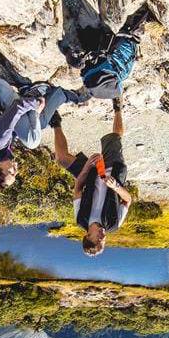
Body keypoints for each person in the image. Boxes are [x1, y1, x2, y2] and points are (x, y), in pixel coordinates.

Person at [0, 78, 88, 189]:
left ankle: (34, 93)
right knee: (41, 124)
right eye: (15, 174)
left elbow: (18, 106)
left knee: (32, 141)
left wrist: (35, 104)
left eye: (11, 172)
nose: (16, 170)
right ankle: (60, 95)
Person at [52, 97, 132, 256]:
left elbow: (77, 190)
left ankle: (55, 121)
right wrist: (116, 186)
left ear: (87, 235)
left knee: (61, 158)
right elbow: (127, 200)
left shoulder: (81, 219)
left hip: (90, 174)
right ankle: (117, 107)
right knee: (115, 138)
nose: (104, 235)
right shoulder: (114, 224)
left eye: (99, 238)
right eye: (104, 240)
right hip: (113, 172)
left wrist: (87, 167)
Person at [67, 4, 154, 99]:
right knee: (86, 18)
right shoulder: (102, 63)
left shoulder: (121, 76)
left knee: (87, 28)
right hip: (116, 36)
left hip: (128, 40)